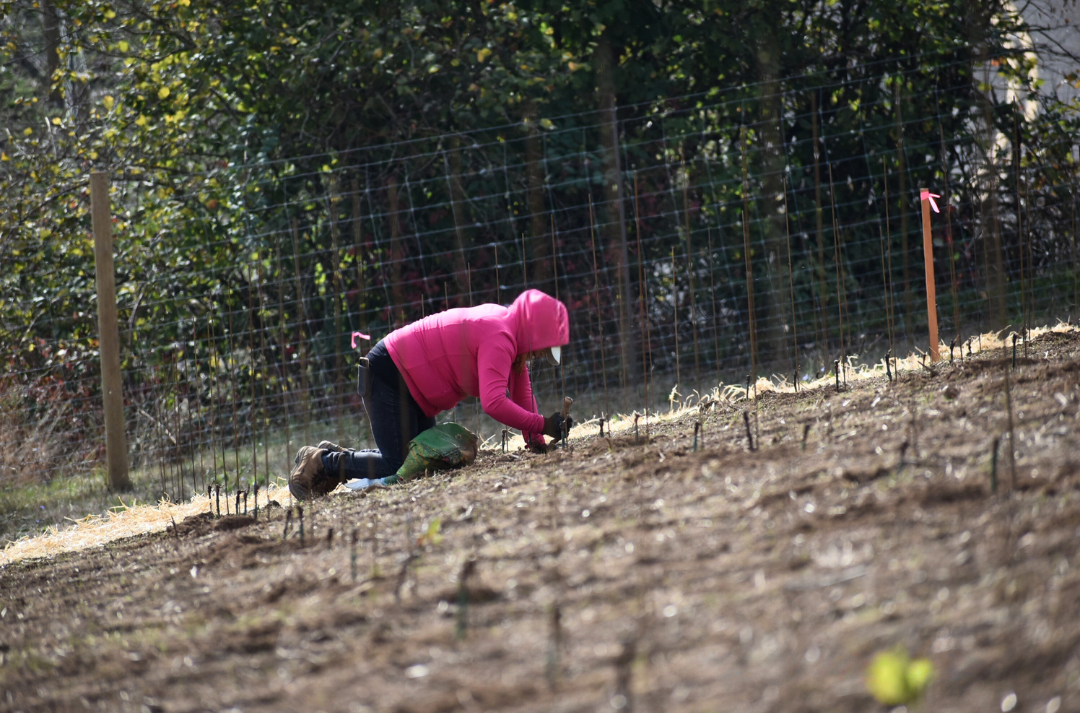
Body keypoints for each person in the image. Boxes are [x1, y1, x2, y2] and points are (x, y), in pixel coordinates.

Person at [289, 289, 574, 500]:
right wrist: (543, 424)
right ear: (534, 332)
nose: (539, 354)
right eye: (543, 347)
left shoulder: (510, 333)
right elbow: (494, 402)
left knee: (425, 460)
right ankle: (321, 461)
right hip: (390, 373)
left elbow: (522, 390)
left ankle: (336, 456)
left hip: (415, 390)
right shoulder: (499, 335)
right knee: (398, 464)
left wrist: (538, 440)